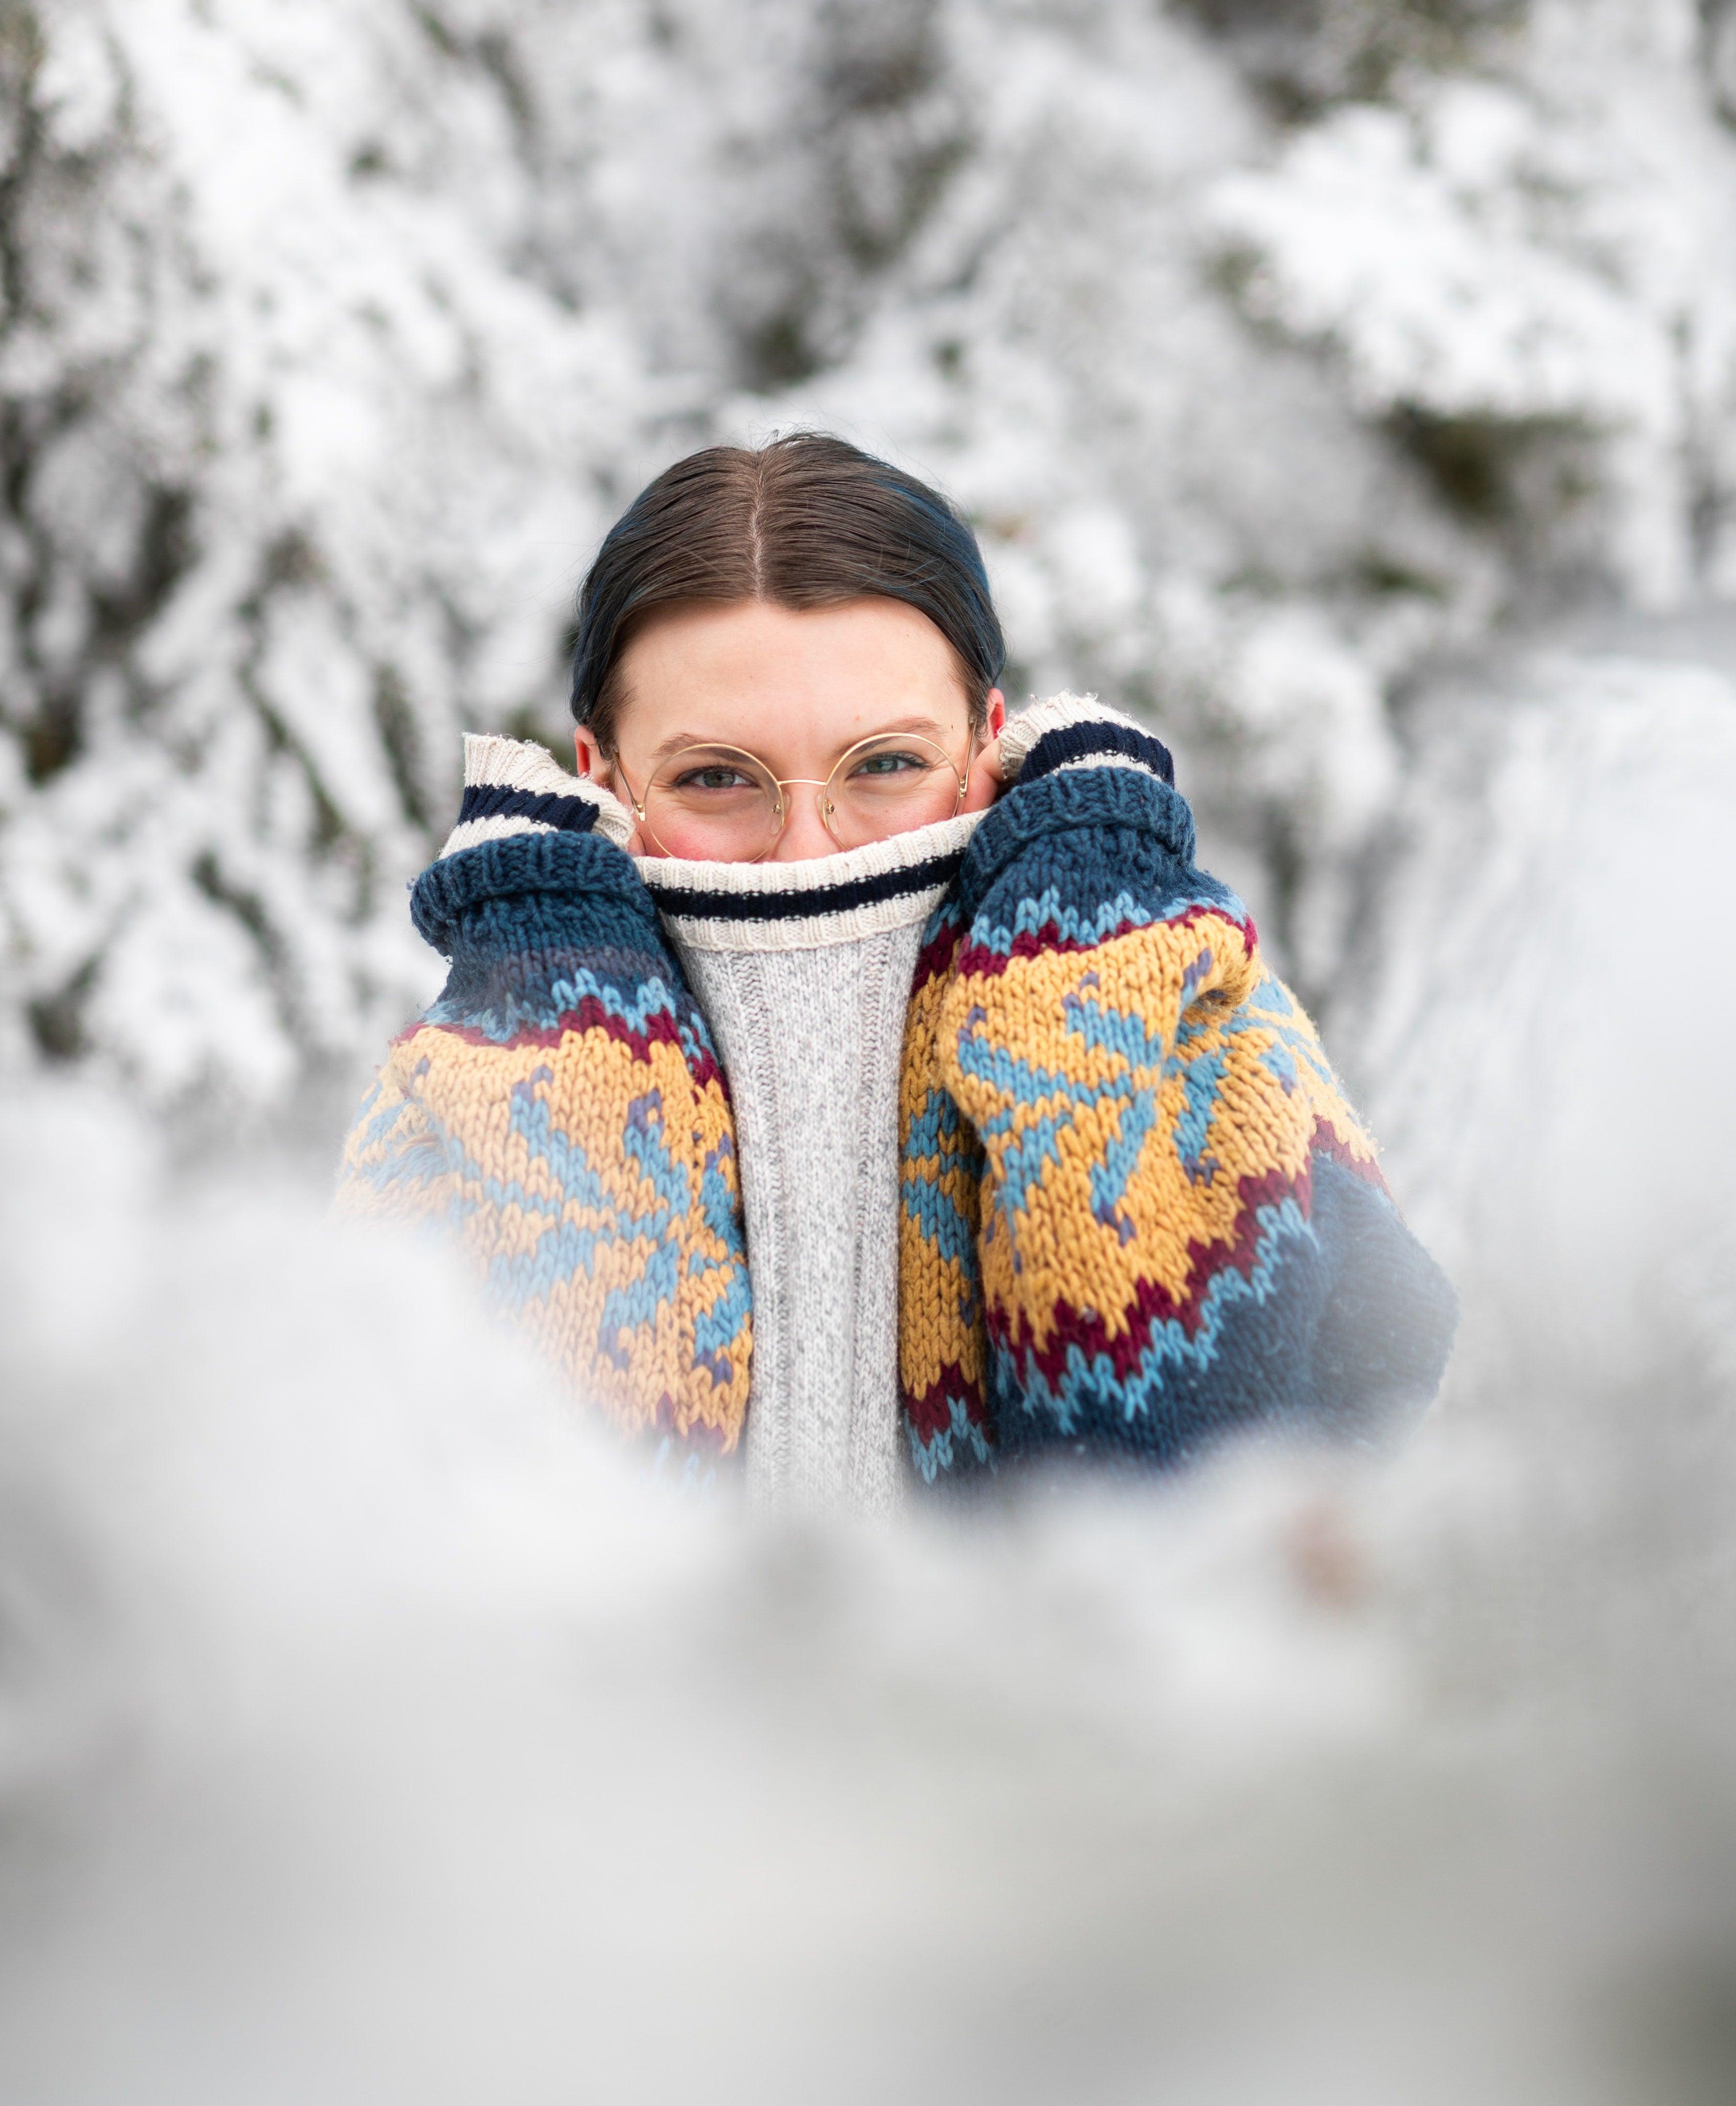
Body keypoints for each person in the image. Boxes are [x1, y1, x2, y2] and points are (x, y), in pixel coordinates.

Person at [337, 433, 1455, 1507]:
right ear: (607, 774)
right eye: (719, 779)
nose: (813, 851)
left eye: (886, 766)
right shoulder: (467, 1076)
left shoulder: (1183, 1006)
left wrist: (1080, 1010)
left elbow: (1318, 1470)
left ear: (984, 749)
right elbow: (411, 1550)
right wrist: (562, 1042)